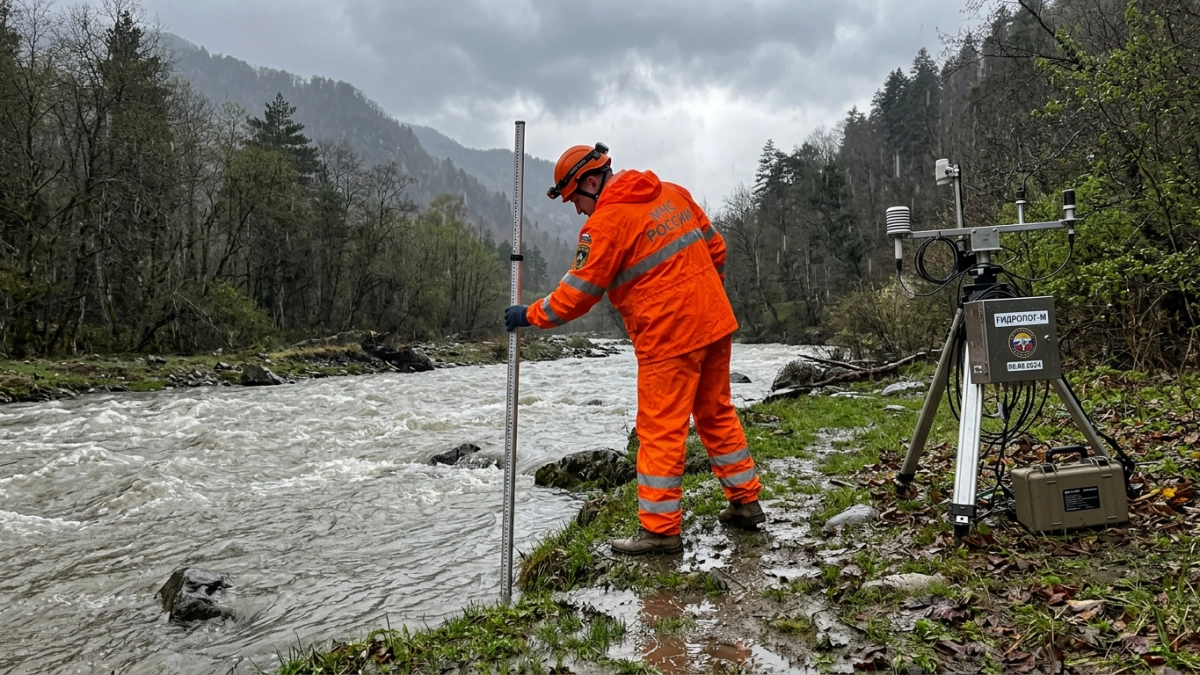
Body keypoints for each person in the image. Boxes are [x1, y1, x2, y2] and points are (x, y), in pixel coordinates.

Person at [504, 142, 766, 555]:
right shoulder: (673, 193)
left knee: (660, 429)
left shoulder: (605, 224)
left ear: (592, 182)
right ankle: (745, 503)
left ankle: (660, 532)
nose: (577, 210)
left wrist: (527, 315)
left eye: (575, 199)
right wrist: (702, 296)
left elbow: (578, 295)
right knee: (716, 413)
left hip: (668, 337)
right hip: (714, 323)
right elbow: (717, 248)